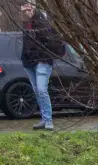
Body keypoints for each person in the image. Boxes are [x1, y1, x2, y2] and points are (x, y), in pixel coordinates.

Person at [19, 2, 64, 131]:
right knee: (37, 91)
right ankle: (44, 119)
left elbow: (50, 42)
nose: (26, 11)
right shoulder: (24, 23)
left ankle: (49, 121)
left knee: (42, 90)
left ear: (33, 7)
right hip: (29, 62)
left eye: (28, 7)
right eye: (23, 9)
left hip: (43, 62)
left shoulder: (42, 22)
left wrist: (44, 57)